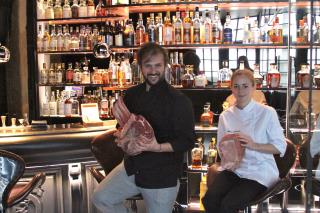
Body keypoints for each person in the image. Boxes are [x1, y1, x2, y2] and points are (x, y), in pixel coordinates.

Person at [92, 43, 195, 213]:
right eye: (148, 65)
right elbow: (122, 126)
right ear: (140, 67)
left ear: (165, 66)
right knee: (101, 198)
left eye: (158, 65)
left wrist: (157, 147)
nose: (153, 70)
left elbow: (187, 141)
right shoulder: (132, 94)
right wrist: (122, 137)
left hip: (162, 174)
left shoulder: (179, 101)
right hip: (132, 167)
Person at [202, 69, 287, 212]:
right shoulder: (225, 116)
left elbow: (280, 147)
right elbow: (221, 147)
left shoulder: (267, 112)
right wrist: (230, 159)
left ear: (254, 87)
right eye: (236, 86)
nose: (240, 91)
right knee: (209, 199)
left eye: (245, 86)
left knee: (229, 204)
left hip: (260, 170)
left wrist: (254, 145)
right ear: (231, 88)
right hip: (235, 169)